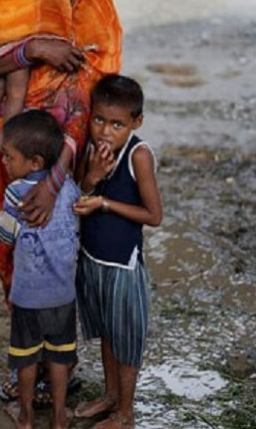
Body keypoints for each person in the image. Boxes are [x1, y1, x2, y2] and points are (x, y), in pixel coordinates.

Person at [0, 0, 123, 405]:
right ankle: (24, 365)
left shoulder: (98, 2)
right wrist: (32, 48)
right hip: (8, 150)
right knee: (15, 251)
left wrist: (57, 179)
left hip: (68, 159)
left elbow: (98, 94)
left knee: (60, 256)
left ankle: (61, 366)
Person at [72, 75, 163, 429]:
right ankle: (110, 397)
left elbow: (154, 216)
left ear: (135, 122)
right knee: (108, 333)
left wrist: (105, 202)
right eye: (99, 120)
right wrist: (92, 177)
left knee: (126, 340)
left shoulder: (138, 155)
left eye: (117, 124)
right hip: (92, 259)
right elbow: (79, 196)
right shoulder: (92, 150)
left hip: (122, 266)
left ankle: (125, 413)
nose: (105, 131)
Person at [0, 110, 80, 429]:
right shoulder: (68, 187)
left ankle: (24, 416)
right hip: (63, 293)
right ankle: (60, 416)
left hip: (28, 297)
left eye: (9, 157)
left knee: (26, 358)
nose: (5, 163)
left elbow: (10, 235)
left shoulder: (15, 192)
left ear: (35, 162)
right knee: (60, 356)